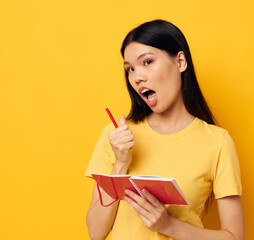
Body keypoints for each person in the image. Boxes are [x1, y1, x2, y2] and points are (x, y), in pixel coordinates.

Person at [85, 19, 245, 240]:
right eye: (130, 69)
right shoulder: (115, 137)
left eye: (147, 62)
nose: (137, 77)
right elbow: (95, 232)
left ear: (180, 62)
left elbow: (235, 237)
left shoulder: (218, 143)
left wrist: (169, 225)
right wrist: (120, 163)